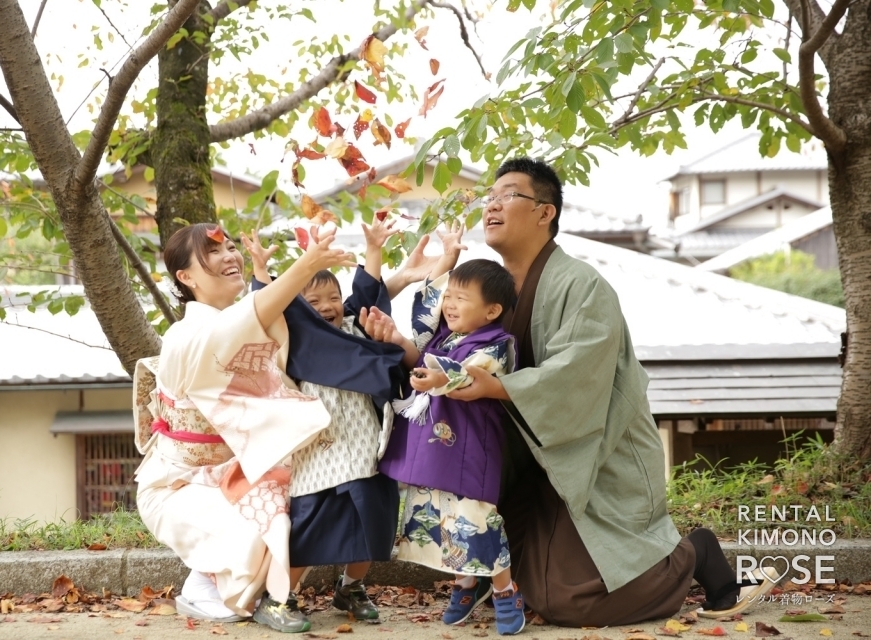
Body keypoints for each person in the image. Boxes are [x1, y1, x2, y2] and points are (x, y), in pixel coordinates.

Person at [363, 158, 778, 627]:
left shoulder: (581, 285)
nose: (493, 205)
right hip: (513, 463)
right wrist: (398, 343)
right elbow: (438, 351)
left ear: (546, 212)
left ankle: (694, 552)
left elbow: (575, 375)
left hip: (589, 460)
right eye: (490, 196)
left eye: (509, 194)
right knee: (523, 580)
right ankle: (490, 576)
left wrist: (495, 385)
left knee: (571, 602)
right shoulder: (483, 288)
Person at [132, 223, 357, 633]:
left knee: (315, 491)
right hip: (180, 487)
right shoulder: (186, 335)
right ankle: (205, 582)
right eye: (214, 252)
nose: (230, 256)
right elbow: (243, 322)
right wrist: (306, 265)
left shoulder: (232, 320)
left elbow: (263, 318)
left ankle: (230, 583)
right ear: (186, 277)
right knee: (271, 522)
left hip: (231, 474)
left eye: (230, 247)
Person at [240, 218, 406, 622]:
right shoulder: (295, 341)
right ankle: (278, 599)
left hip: (367, 450)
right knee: (309, 534)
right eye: (313, 303)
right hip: (319, 456)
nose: (327, 307)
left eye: (333, 297)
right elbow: (272, 309)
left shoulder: (354, 330)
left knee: (374, 528)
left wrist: (373, 249)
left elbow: (368, 296)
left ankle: (350, 589)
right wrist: (261, 272)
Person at [368, 234, 526, 635]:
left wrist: (437, 376)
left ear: (492, 310)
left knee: (476, 519)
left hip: (471, 447)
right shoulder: (444, 337)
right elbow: (420, 347)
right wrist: (396, 339)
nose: (450, 304)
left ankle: (506, 591)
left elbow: (471, 374)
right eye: (449, 296)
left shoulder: (499, 344)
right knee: (438, 517)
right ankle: (465, 584)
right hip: (436, 448)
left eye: (462, 298)